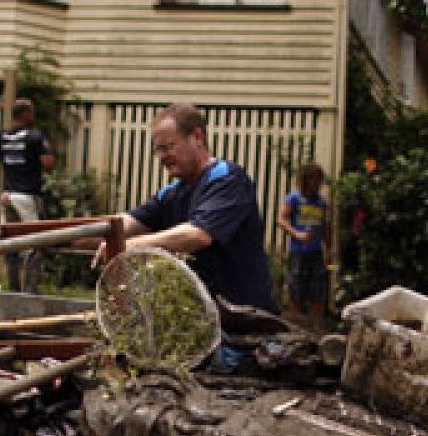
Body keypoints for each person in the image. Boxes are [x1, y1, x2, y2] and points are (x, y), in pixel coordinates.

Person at [98, 102, 276, 311]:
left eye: (168, 146)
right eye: (158, 149)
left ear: (197, 137)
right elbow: (122, 224)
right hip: (201, 319)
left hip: (244, 322)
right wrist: (62, 235)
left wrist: (127, 246)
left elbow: (198, 235)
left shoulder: (228, 179)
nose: (163, 156)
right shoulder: (172, 193)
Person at [0, 98, 54, 291]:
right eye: (32, 112)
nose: (34, 115)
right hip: (27, 198)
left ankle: (12, 288)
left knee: (11, 245)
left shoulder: (3, 135)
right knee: (34, 245)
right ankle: (29, 291)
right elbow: (48, 164)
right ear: (26, 114)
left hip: (7, 197)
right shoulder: (35, 137)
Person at [276, 162, 330, 327]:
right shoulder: (294, 198)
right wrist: (297, 234)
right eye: (313, 179)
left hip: (316, 254)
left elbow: (325, 227)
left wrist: (329, 247)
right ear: (305, 179)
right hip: (298, 253)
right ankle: (295, 328)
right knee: (296, 291)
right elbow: (281, 219)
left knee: (317, 292)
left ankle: (316, 329)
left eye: (319, 180)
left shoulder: (321, 202)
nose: (316, 183)